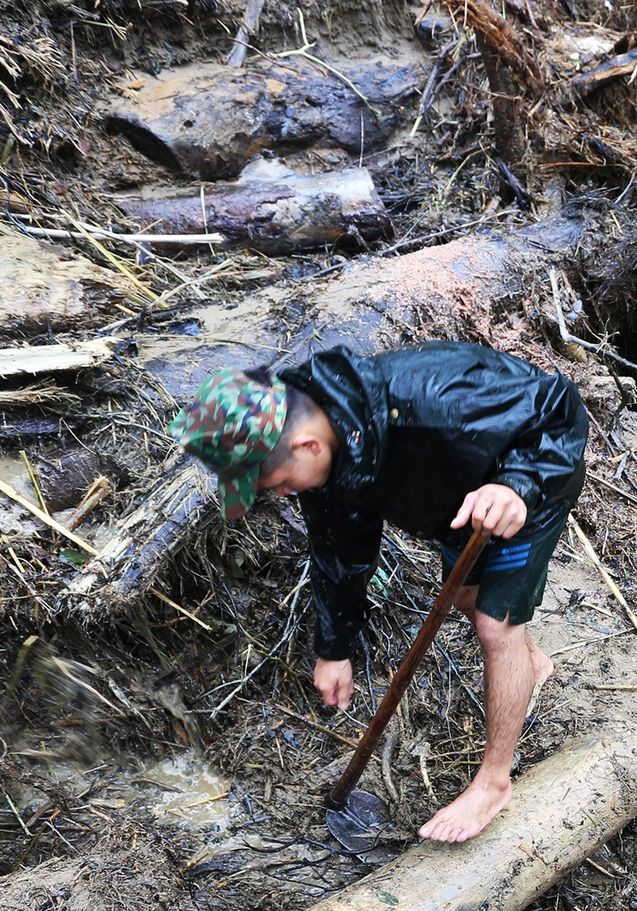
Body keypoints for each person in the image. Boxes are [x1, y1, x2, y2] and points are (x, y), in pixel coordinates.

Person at [174, 342, 587, 843]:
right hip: (459, 503)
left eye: (277, 483)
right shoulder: (326, 455)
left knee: (494, 623)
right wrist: (334, 649)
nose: (279, 494)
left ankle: (494, 782)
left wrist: (519, 484)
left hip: (526, 486)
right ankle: (531, 666)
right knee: (465, 598)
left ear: (306, 446)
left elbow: (560, 408)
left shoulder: (433, 399)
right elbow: (340, 554)